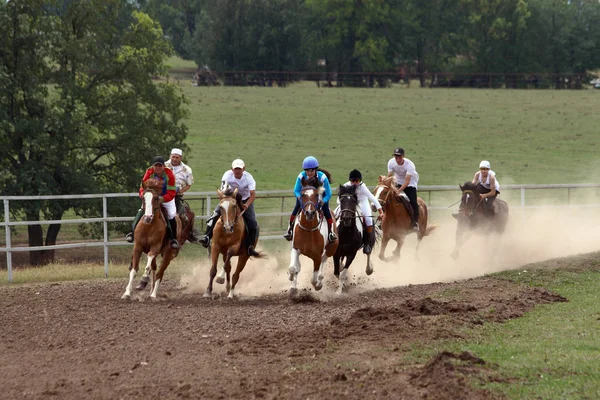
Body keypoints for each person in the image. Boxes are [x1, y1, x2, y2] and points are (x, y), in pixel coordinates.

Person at [198, 159, 260, 256]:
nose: (237, 171)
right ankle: (206, 236)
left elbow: (252, 195)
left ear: (243, 169)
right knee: (214, 215)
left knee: (252, 222)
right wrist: (224, 202)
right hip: (229, 199)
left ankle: (250, 246)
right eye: (235, 169)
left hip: (245, 199)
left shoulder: (249, 178)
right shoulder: (227, 175)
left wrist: (247, 205)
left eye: (239, 169)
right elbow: (222, 192)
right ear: (232, 169)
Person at [125, 156, 180, 249]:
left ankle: (172, 238)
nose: (158, 168)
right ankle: (132, 232)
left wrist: (162, 199)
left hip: (166, 198)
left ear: (164, 166)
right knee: (142, 210)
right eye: (156, 166)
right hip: (151, 198)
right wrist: (144, 195)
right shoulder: (149, 172)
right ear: (153, 166)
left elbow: (172, 192)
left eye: (160, 166)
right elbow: (142, 187)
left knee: (171, 214)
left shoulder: (169, 174)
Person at [283, 156, 337, 242]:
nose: (309, 172)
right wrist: (299, 196)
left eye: (311, 170)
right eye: (307, 170)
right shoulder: (301, 176)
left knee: (326, 211)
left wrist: (324, 201)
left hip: (320, 195)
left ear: (316, 169)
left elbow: (329, 193)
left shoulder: (322, 177)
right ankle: (289, 230)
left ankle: (331, 232)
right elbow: (296, 190)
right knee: (296, 208)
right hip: (305, 196)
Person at [340, 169, 384, 254]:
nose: (355, 183)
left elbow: (373, 198)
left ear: (360, 180)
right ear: (350, 180)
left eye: (357, 181)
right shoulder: (346, 186)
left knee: (368, 220)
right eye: (353, 181)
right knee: (335, 214)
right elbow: (339, 199)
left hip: (363, 203)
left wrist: (381, 211)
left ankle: (367, 243)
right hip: (350, 205)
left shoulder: (363, 187)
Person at [164, 148, 201, 243]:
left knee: (182, 215)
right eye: (173, 157)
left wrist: (180, 191)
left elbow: (189, 184)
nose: (174, 159)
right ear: (170, 156)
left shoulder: (187, 169)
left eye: (177, 157)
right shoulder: (163, 166)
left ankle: (180, 234)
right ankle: (133, 231)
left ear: (180, 158)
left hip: (176, 195)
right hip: (163, 193)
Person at [387, 147, 420, 231]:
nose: (397, 159)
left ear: (403, 156)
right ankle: (383, 220)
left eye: (399, 157)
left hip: (410, 183)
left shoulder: (410, 165)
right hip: (397, 181)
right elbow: (389, 177)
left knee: (413, 202)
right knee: (387, 199)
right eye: (396, 157)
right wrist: (390, 188)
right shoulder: (391, 162)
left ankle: (415, 223)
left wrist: (398, 191)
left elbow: (407, 181)